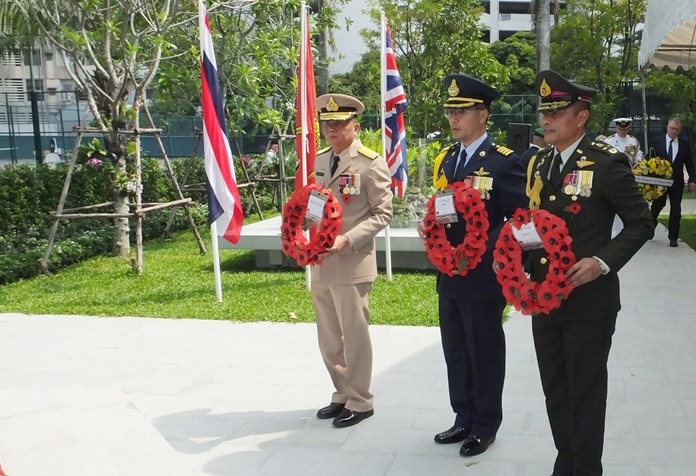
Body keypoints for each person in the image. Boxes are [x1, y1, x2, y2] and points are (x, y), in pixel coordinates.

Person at [525, 70, 654, 475]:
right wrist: (513, 254)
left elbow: (640, 222)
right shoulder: (541, 161)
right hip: (545, 298)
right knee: (555, 391)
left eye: (557, 111)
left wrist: (602, 261)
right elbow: (535, 225)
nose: (547, 119)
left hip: (588, 302)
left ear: (581, 117)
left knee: (585, 391)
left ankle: (583, 469)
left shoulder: (605, 163)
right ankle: (568, 462)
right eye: (545, 111)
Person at [420, 74, 528, 457]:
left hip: (483, 273)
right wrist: (430, 226)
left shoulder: (502, 162)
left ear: (482, 115)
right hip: (449, 270)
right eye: (451, 111)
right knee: (456, 347)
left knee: (483, 348)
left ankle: (485, 424)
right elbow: (444, 207)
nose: (453, 118)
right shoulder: (448, 159)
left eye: (461, 112)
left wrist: (485, 245)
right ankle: (462, 415)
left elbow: (518, 218)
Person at [310, 93, 393, 428]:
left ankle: (361, 400)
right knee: (329, 337)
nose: (332, 128)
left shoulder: (370, 163)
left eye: (340, 123)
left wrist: (348, 238)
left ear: (355, 127)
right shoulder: (319, 160)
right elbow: (314, 204)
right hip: (321, 262)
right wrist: (296, 228)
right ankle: (341, 393)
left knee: (354, 335)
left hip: (353, 261)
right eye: (327, 123)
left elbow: (383, 213)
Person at [649, 116, 696, 247]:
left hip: (677, 181)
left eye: (677, 129)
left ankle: (673, 237)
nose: (674, 131)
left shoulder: (684, 144)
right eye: (672, 128)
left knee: (676, 209)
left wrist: (692, 179)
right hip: (660, 181)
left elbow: (690, 163)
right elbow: (650, 160)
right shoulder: (657, 141)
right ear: (667, 128)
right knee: (657, 205)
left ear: (680, 130)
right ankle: (650, 226)